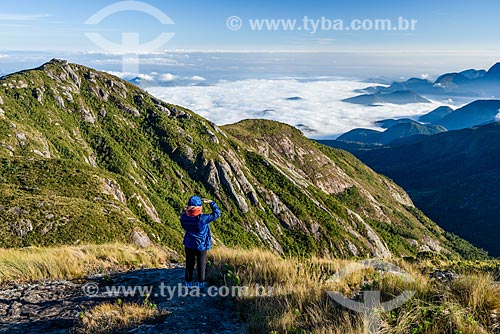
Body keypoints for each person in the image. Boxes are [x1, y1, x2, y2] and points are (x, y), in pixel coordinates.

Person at [180, 195, 221, 290]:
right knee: (201, 265)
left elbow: (184, 222)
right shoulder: (202, 218)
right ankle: (200, 285)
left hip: (189, 244)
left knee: (189, 264)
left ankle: (188, 284)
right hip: (201, 245)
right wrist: (212, 203)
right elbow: (217, 214)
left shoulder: (183, 217)